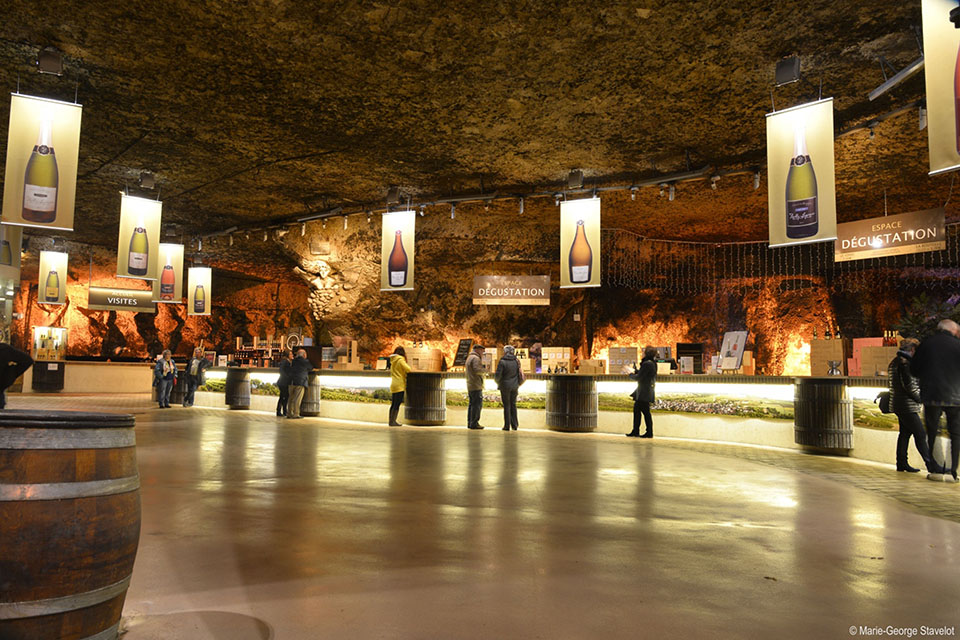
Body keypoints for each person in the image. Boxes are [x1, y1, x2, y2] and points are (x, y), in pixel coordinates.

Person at [910, 318, 960, 482]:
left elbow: (914, 369)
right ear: (953, 330)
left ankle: (936, 468)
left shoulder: (926, 344)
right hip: (955, 396)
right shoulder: (957, 345)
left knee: (932, 431)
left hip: (931, 396)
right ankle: (952, 471)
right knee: (955, 433)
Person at [888, 338, 944, 473]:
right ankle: (931, 465)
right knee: (920, 434)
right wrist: (923, 399)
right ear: (912, 349)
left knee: (905, 434)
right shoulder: (906, 364)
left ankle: (901, 463)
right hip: (907, 405)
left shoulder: (895, 362)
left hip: (898, 403)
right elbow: (910, 386)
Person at [626, 346, 658, 438]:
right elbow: (643, 374)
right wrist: (636, 371)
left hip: (644, 391)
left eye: (643, 352)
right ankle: (638, 430)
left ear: (646, 353)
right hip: (646, 390)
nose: (642, 353)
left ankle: (647, 432)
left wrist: (630, 375)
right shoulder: (652, 363)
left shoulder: (647, 364)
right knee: (639, 410)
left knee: (644, 411)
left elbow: (639, 377)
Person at [494, 345, 523, 431]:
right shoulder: (516, 361)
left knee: (506, 405)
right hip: (514, 386)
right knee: (513, 405)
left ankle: (507, 426)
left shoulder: (502, 362)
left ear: (505, 352)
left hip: (505, 386)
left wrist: (498, 382)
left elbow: (498, 376)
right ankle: (514, 425)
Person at [0, 342, 33, 409]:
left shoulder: (4, 350)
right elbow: (27, 361)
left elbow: (27, 361)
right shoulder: (4, 349)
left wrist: (9, 373)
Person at [388, 346, 412, 426]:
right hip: (399, 385)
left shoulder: (393, 361)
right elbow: (408, 369)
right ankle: (393, 421)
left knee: (393, 403)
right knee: (397, 404)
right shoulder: (400, 360)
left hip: (393, 384)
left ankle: (390, 421)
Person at [286, 348, 312, 419]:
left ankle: (289, 413)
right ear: (304, 355)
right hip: (300, 382)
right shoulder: (305, 361)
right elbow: (310, 368)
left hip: (291, 381)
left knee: (290, 398)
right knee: (297, 398)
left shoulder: (293, 361)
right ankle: (296, 414)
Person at [465, 344, 485, 429]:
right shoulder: (476, 358)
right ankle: (474, 423)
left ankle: (470, 422)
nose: (483, 353)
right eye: (482, 351)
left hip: (470, 384)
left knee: (472, 404)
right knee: (477, 405)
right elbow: (477, 370)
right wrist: (485, 371)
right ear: (477, 349)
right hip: (476, 384)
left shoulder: (469, 357)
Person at [276, 349, 293, 417]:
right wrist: (288, 377)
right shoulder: (285, 362)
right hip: (283, 382)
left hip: (283, 382)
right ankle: (282, 411)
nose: (292, 355)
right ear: (287, 355)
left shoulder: (287, 361)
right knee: (284, 397)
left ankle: (281, 411)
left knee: (283, 396)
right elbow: (282, 371)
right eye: (291, 354)